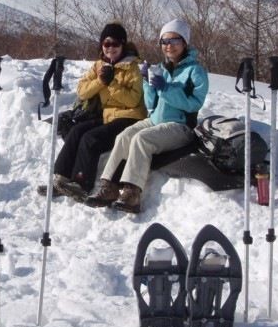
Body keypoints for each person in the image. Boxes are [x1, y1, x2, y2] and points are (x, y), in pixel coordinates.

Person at [86, 19, 208, 213]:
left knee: (142, 139)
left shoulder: (196, 71)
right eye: (164, 41)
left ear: (184, 42)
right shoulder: (161, 68)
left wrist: (167, 88)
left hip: (181, 126)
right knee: (124, 136)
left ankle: (132, 193)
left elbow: (194, 104)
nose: (168, 46)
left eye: (174, 40)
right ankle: (108, 186)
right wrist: (147, 83)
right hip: (155, 119)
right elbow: (151, 104)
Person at [51, 22, 147, 201]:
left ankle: (81, 183)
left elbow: (133, 100)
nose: (110, 48)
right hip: (108, 116)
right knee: (76, 131)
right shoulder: (98, 66)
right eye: (106, 44)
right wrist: (101, 81)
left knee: (91, 138)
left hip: (130, 117)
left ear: (123, 44)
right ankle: (60, 180)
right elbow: (82, 91)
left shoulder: (133, 67)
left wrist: (112, 83)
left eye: (115, 44)